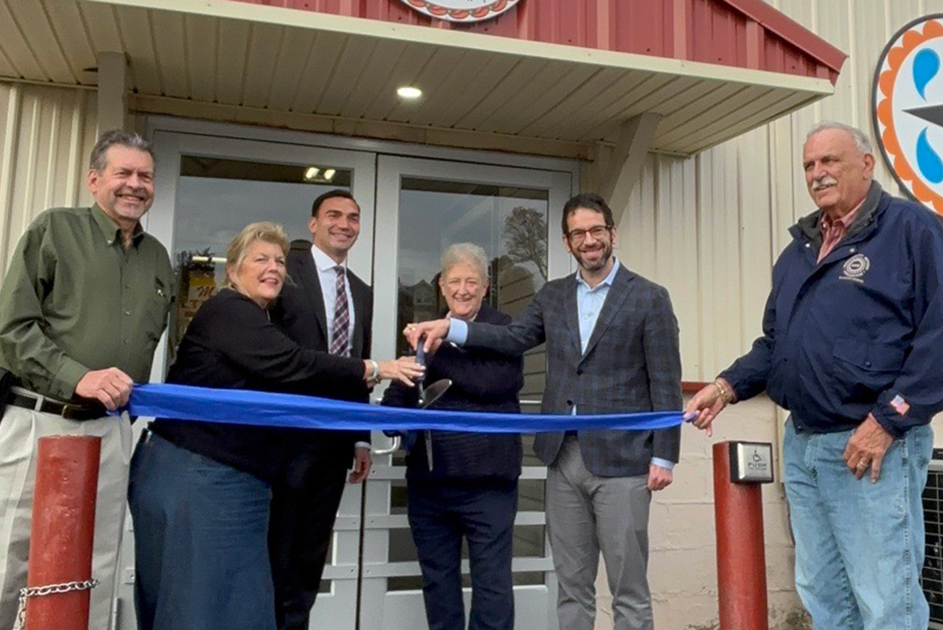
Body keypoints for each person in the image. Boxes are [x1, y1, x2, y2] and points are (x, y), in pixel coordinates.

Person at [684, 121, 943, 630]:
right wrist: (726, 386)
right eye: (808, 166)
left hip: (871, 444)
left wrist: (887, 421)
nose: (817, 175)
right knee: (824, 596)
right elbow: (778, 345)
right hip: (806, 446)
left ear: (866, 164)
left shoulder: (910, 230)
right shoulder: (798, 251)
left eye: (829, 161)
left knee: (887, 600)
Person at [127, 222, 423, 630]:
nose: (273, 268)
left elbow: (293, 371)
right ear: (232, 269)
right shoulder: (229, 310)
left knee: (232, 603)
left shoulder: (259, 319)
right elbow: (293, 364)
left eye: (280, 261)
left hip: (228, 475)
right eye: (260, 259)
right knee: (198, 603)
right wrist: (375, 368)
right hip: (196, 473)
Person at [406, 194, 682, 630]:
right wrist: (452, 327)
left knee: (628, 588)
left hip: (625, 459)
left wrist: (664, 455)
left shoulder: (649, 297)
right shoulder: (553, 295)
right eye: (578, 234)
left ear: (613, 234)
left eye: (596, 231)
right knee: (571, 585)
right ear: (566, 242)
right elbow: (513, 338)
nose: (589, 241)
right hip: (562, 458)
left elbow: (665, 380)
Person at [0, 130, 172, 630]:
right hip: (29, 421)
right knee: (3, 575)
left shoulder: (158, 258)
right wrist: (79, 377)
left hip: (109, 430)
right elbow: (9, 328)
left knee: (94, 573)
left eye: (145, 176)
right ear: (95, 180)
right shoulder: (54, 229)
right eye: (123, 173)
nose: (135, 185)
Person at [383, 243, 524, 630]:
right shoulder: (424, 334)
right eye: (455, 282)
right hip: (431, 484)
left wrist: (441, 347)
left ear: (485, 287)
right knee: (438, 582)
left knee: (492, 587)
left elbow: (495, 382)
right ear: (442, 287)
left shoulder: (504, 329)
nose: (463, 290)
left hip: (489, 485)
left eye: (471, 282)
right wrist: (394, 405)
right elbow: (399, 397)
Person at [269, 190, 373, 630]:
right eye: (333, 215)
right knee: (275, 551)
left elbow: (359, 365)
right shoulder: (283, 273)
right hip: (283, 439)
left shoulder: (361, 291)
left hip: (333, 443)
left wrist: (361, 434)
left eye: (352, 217)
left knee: (311, 555)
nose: (344, 224)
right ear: (312, 224)